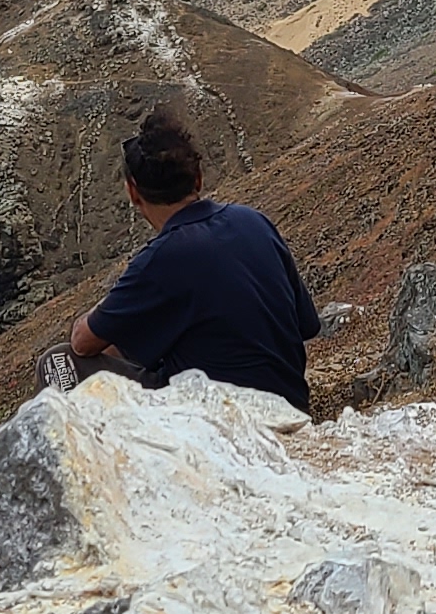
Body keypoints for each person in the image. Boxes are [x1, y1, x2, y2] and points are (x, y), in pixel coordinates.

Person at [62, 104, 322, 410]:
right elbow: (309, 325)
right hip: (291, 406)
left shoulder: (159, 260)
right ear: (197, 178)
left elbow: (82, 341)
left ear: (133, 192)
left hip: (219, 424)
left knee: (58, 362)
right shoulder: (253, 220)